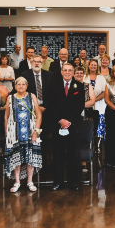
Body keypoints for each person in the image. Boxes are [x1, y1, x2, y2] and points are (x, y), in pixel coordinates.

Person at [48, 63, 84, 191]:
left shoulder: (79, 86)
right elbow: (50, 105)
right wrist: (61, 120)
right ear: (61, 72)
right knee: (58, 154)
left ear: (73, 73)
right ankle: (58, 181)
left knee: (73, 154)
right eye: (65, 70)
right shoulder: (53, 85)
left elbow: (80, 106)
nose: (68, 72)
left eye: (70, 70)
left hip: (73, 125)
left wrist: (69, 121)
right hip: (57, 124)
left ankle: (73, 181)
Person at [4, 77, 42, 193]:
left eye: (23, 84)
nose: (21, 86)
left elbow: (39, 115)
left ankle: (30, 181)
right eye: (18, 84)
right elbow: (6, 116)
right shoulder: (10, 98)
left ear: (27, 85)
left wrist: (36, 131)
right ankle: (17, 182)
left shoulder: (32, 96)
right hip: (14, 132)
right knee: (16, 156)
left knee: (30, 155)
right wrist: (7, 132)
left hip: (31, 130)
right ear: (15, 87)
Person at [87, 60, 107, 151]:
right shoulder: (84, 77)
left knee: (99, 125)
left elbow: (104, 92)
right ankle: (88, 144)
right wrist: (90, 101)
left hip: (99, 104)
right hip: (87, 105)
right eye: (92, 65)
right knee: (88, 124)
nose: (93, 66)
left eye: (95, 65)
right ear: (88, 66)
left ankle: (98, 146)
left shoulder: (101, 78)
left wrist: (94, 100)